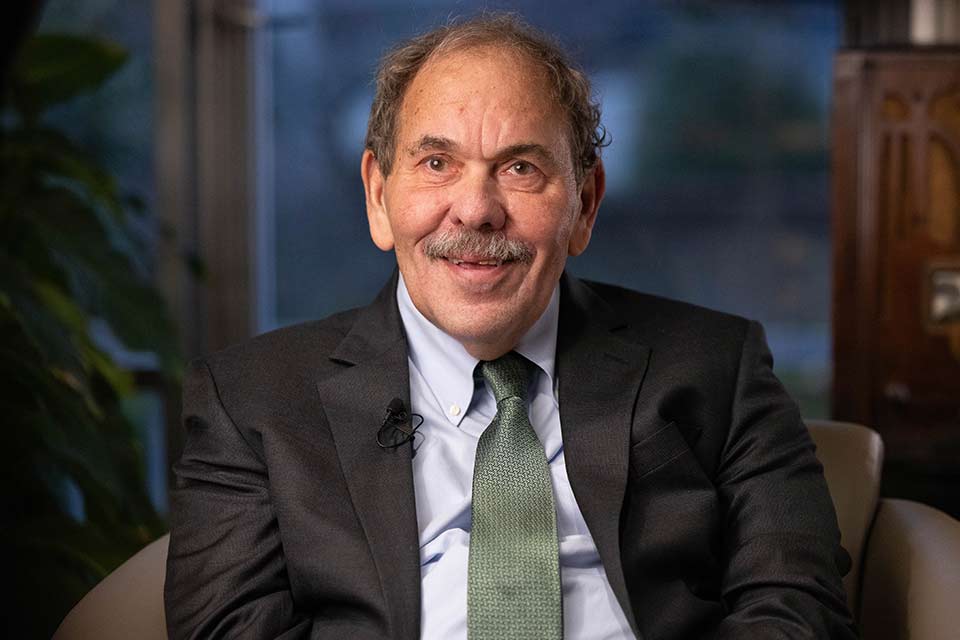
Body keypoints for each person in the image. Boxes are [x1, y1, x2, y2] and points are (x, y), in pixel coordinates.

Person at [165, 14, 857, 640]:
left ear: (584, 205)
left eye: (520, 168)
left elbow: (797, 609)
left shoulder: (718, 366)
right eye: (437, 163)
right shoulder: (250, 400)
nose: (475, 210)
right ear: (379, 196)